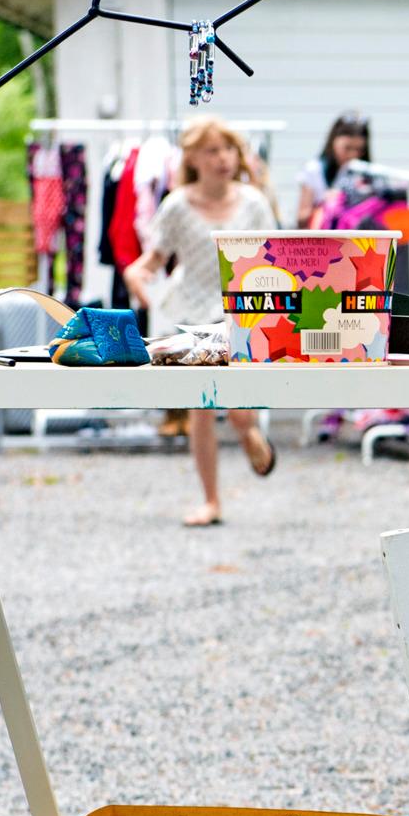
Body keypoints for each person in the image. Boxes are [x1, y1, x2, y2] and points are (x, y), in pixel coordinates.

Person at [123, 116, 279, 526]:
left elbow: (276, 259)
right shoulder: (176, 204)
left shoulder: (254, 203)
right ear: (193, 157)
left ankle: (247, 432)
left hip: (242, 311)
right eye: (212, 150)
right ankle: (211, 501)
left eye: (228, 149)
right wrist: (137, 281)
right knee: (202, 409)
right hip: (191, 312)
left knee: (240, 410)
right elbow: (151, 262)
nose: (223, 158)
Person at [296, 112, 370, 225]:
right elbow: (301, 219)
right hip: (321, 239)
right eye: (347, 148)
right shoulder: (314, 170)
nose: (353, 155)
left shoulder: (367, 173)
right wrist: (327, 204)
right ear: (333, 141)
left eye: (359, 149)